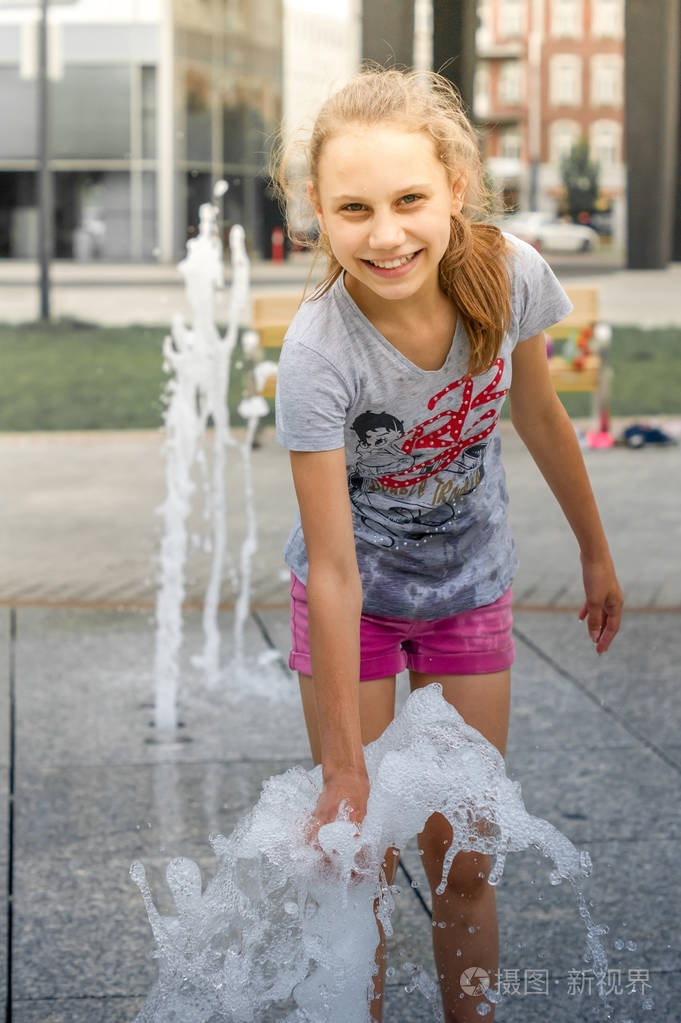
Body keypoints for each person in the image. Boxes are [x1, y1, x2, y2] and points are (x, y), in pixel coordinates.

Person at [273, 67, 623, 1022]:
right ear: (318, 211)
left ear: (454, 191)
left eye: (409, 200)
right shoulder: (317, 355)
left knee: (464, 854)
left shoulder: (506, 274)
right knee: (363, 858)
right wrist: (346, 764)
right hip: (357, 606)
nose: (385, 234)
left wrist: (593, 551)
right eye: (354, 209)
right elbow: (334, 568)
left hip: (468, 589)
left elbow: (543, 416)